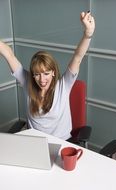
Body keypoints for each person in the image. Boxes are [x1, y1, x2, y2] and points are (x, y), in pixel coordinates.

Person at [0, 11, 95, 140]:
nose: (42, 79)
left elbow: (78, 57)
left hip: (62, 142)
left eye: (46, 73)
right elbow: (8, 54)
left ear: (53, 72)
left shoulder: (64, 85)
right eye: (37, 74)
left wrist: (88, 34)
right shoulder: (27, 82)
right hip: (35, 143)